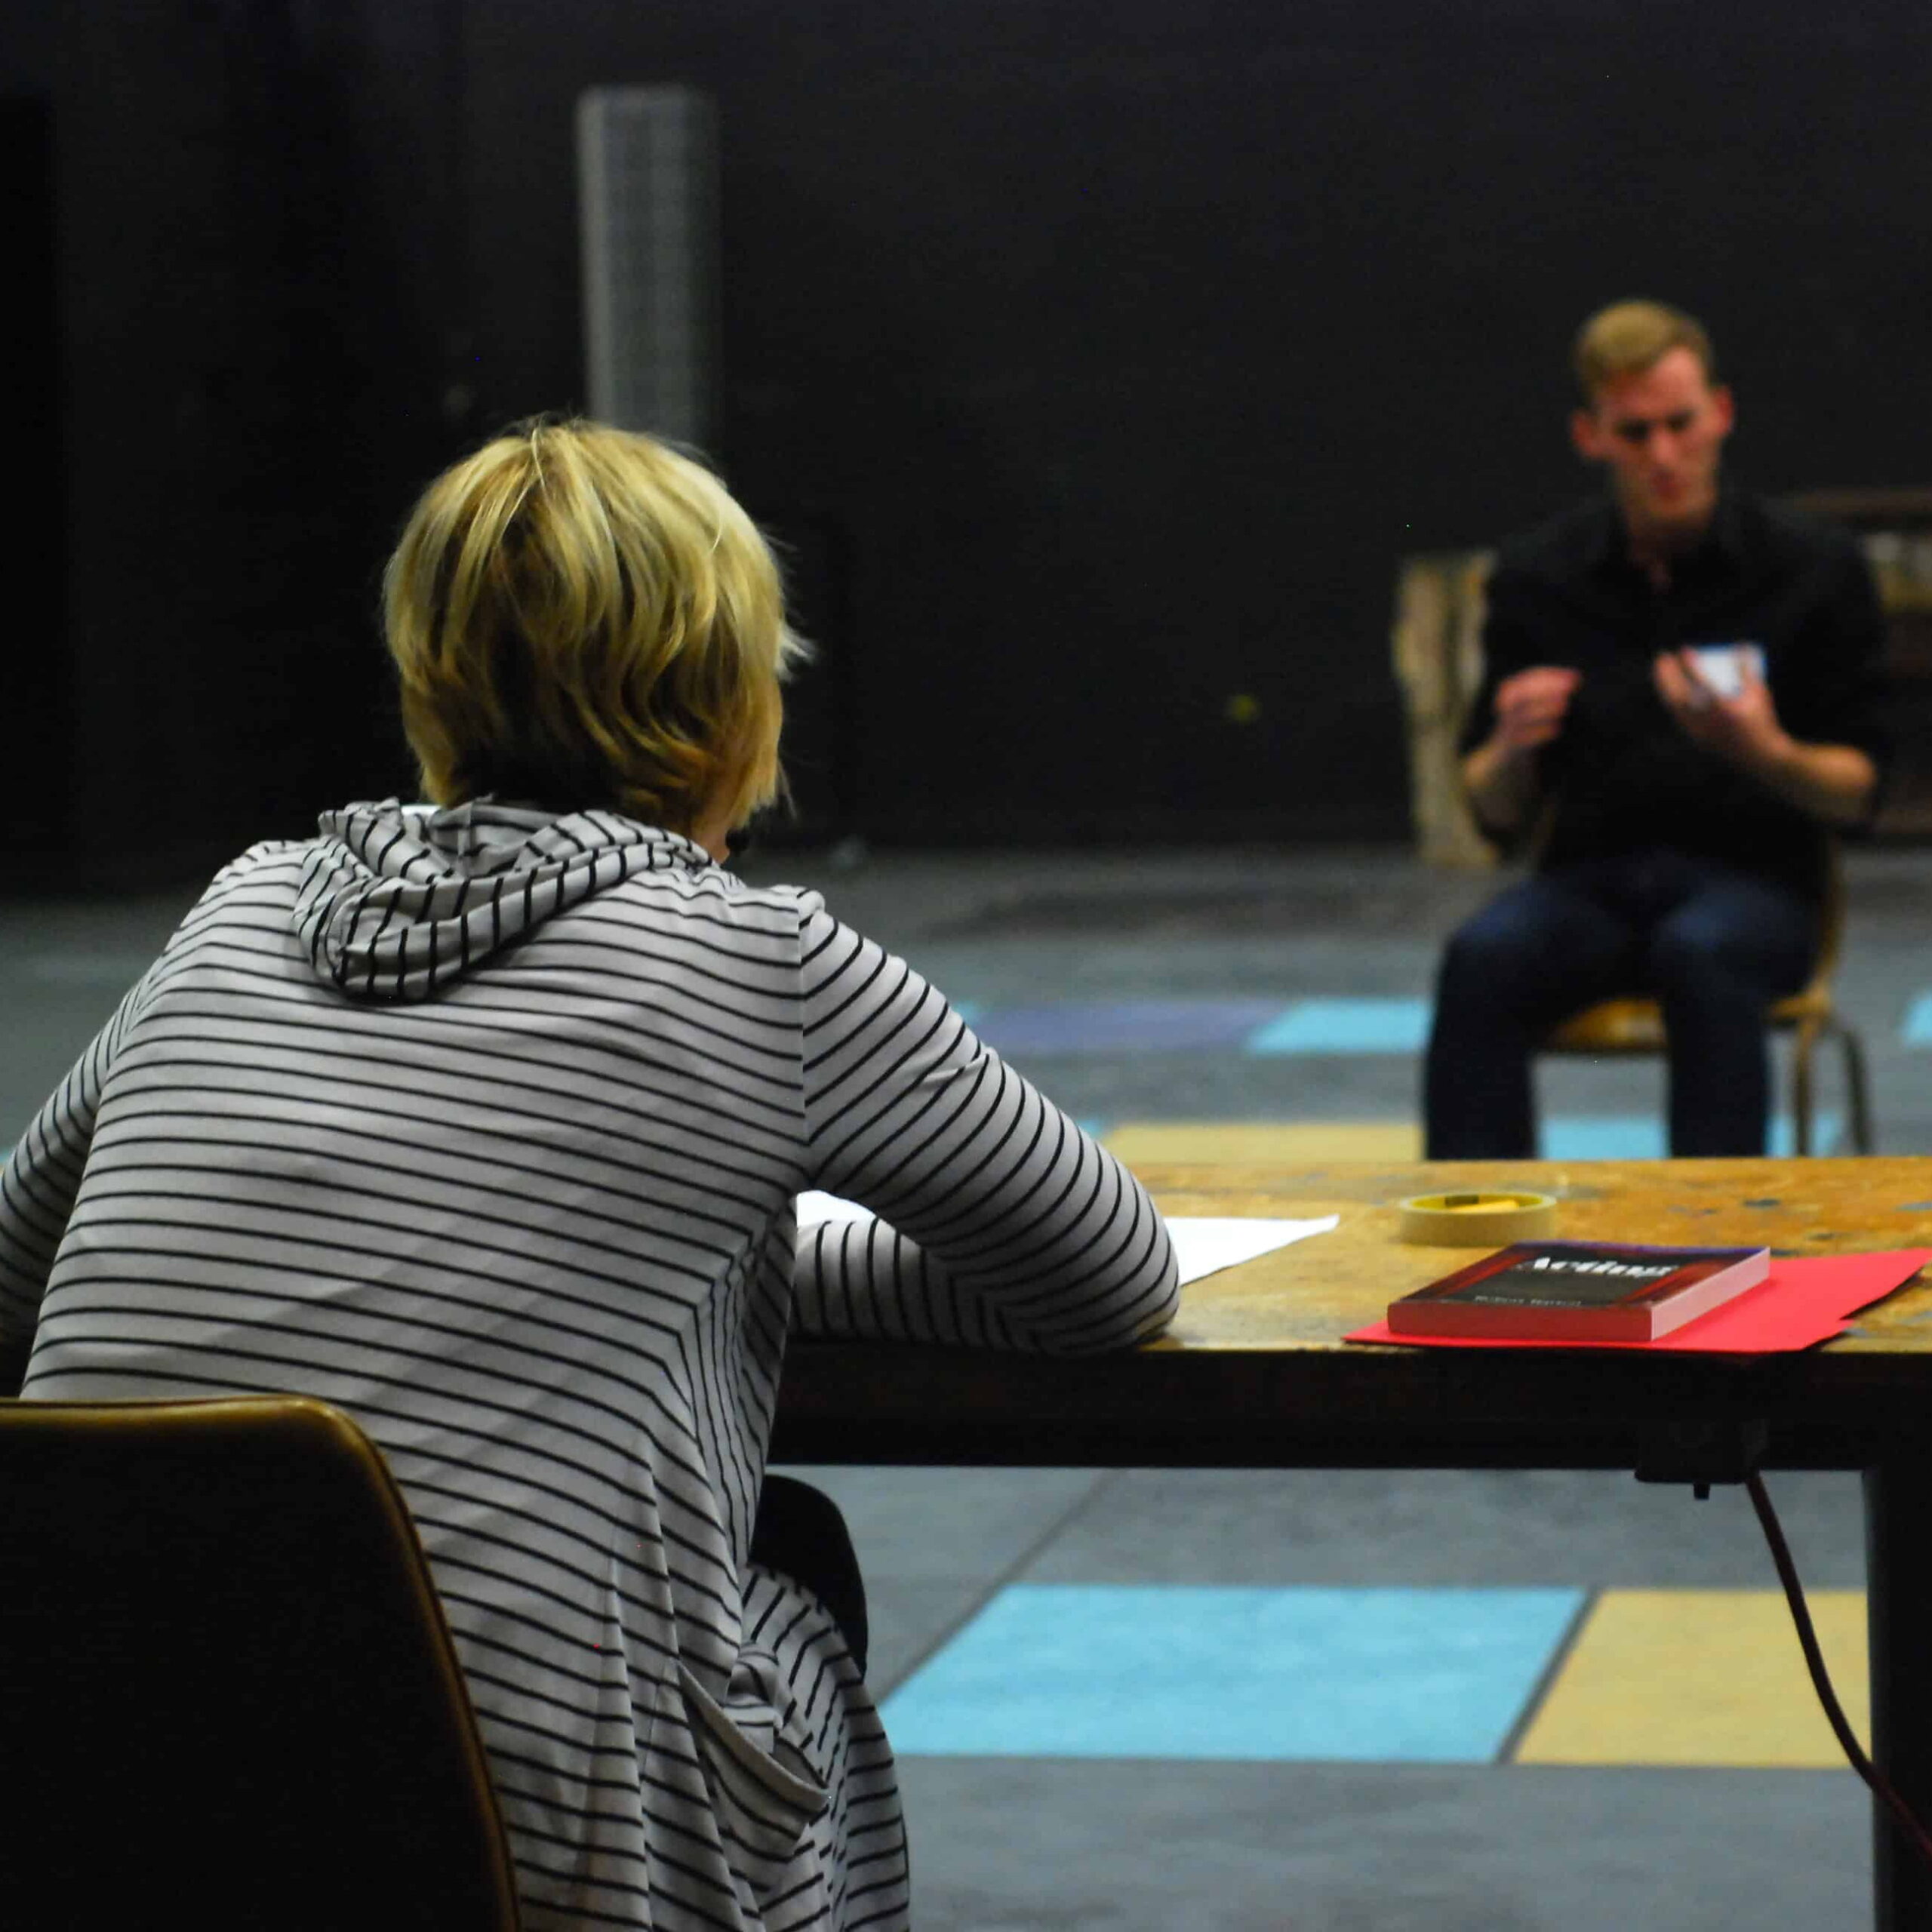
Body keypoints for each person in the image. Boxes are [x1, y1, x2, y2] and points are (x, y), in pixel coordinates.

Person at [0, 421, 1180, 1931]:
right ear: (734, 694)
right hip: (530, 1861)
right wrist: (759, 1263)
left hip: (99, 1809)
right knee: (790, 1554)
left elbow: (16, 1280)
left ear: (425, 673)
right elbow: (1107, 1279)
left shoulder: (236, 910)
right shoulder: (768, 965)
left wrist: (700, 1258)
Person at [1423, 300, 1890, 1158]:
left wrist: (1765, 750)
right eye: (1634, 433)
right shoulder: (1537, 576)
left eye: (1679, 424)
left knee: (1700, 953)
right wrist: (1514, 748)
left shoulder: (1813, 567)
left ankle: (1713, 1252)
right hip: (1593, 884)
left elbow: (1863, 791)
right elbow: (1489, 807)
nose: (1663, 455)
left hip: (1758, 888)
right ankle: (1476, 1246)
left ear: (1720, 412)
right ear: (1589, 435)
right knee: (1479, 956)